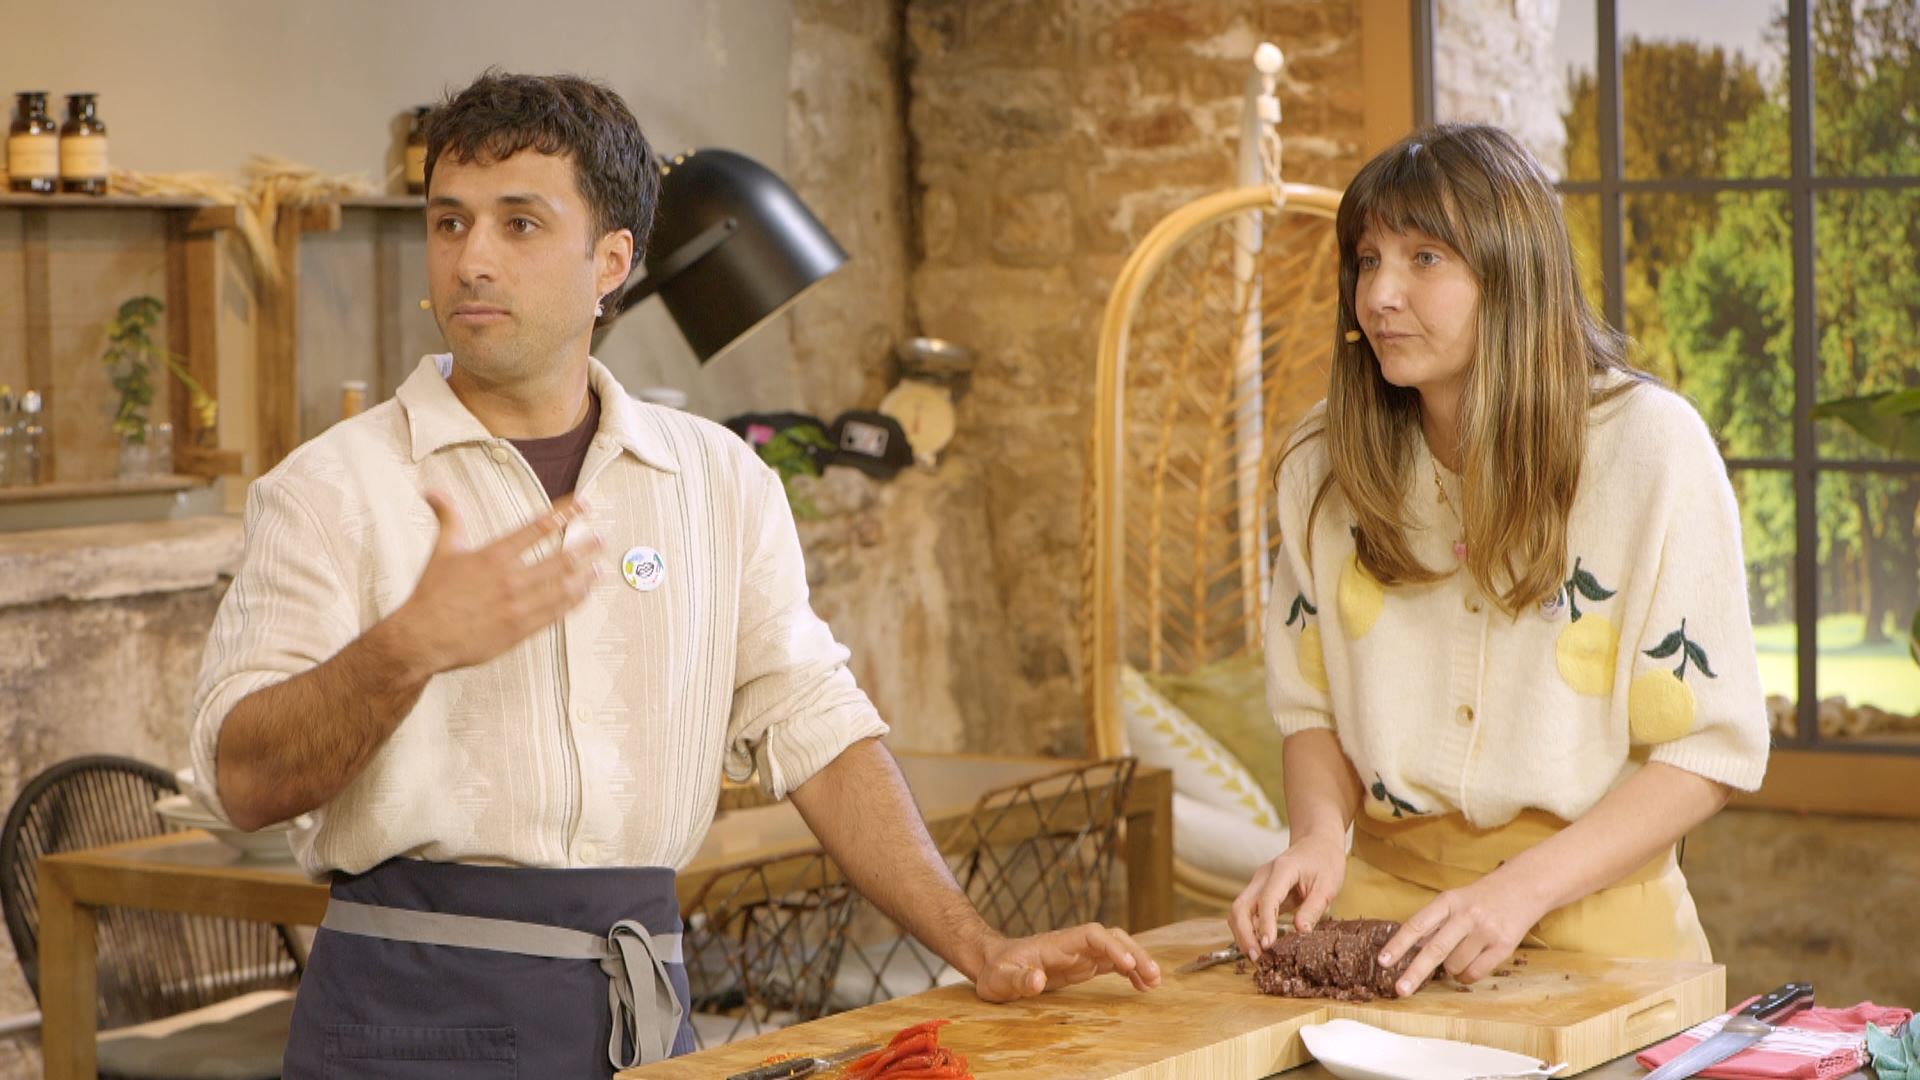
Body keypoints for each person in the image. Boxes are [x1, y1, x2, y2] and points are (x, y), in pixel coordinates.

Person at [188, 71, 1158, 1079]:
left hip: (647, 1023)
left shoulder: (717, 480)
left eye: (520, 224)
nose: (471, 258)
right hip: (401, 1030)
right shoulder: (328, 489)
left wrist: (979, 946)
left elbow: (815, 727)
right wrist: (409, 648)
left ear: (611, 262)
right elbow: (243, 783)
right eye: (450, 221)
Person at [1228, 124, 1769, 996]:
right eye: (1367, 260)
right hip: (1383, 923)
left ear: (1514, 273)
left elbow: (1710, 747)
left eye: (1425, 257)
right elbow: (1311, 706)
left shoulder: (1652, 449)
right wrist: (1319, 837)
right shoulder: (1320, 463)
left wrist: (1518, 891)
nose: (1380, 295)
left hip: (1606, 929)